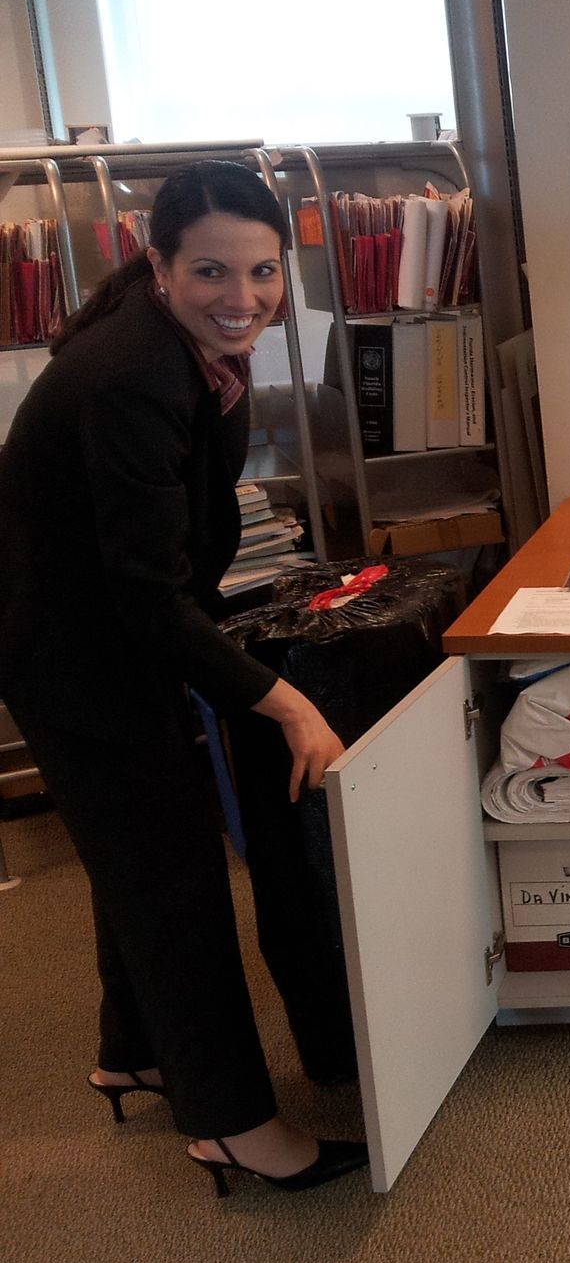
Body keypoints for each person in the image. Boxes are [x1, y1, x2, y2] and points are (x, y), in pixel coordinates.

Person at [0, 160, 366, 1197]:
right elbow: (144, 597)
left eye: (262, 271)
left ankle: (137, 1055)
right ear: (157, 265)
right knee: (177, 886)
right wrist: (286, 705)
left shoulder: (185, 347)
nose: (241, 297)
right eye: (211, 271)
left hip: (102, 636)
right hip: (74, 655)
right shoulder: (133, 374)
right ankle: (234, 1124)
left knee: (140, 858)